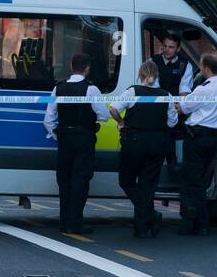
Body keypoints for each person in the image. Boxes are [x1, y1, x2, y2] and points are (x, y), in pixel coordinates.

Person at [43, 52, 110, 235]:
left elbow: (48, 120)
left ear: (72, 67)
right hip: (84, 139)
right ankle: (75, 222)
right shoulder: (91, 89)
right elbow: (104, 116)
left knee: (64, 181)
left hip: (64, 139)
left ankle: (64, 221)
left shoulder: (58, 88)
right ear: (87, 69)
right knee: (80, 181)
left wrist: (59, 136)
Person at [111, 60, 177, 238]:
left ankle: (149, 218)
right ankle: (143, 226)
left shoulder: (133, 91)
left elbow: (114, 109)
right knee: (148, 186)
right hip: (157, 143)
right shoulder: (167, 95)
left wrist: (121, 122)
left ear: (140, 74)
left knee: (126, 181)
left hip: (134, 142)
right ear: (157, 75)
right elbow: (172, 122)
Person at [176, 52, 217, 237]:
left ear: (206, 68)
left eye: (200, 65)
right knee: (200, 181)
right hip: (212, 138)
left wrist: (176, 101)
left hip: (195, 138)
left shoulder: (203, 89)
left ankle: (198, 223)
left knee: (192, 182)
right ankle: (197, 222)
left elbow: (182, 107)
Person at [151, 32, 194, 167]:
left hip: (175, 108)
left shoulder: (185, 65)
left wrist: (178, 108)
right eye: (165, 46)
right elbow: (153, 87)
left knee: (172, 132)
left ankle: (173, 162)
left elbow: (184, 90)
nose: (167, 50)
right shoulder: (152, 62)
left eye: (171, 47)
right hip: (156, 106)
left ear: (178, 48)